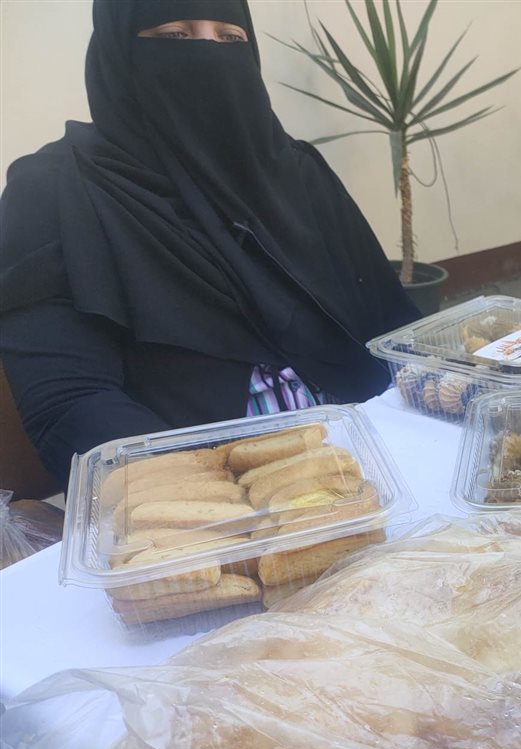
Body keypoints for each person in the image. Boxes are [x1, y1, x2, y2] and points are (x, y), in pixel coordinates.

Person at [0, 0, 421, 486]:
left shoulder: (296, 171)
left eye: (231, 38)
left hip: (376, 457)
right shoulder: (55, 192)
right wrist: (218, 498)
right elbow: (70, 402)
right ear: (117, 53)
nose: (208, 55)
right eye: (175, 36)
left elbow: (393, 326)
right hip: (200, 486)